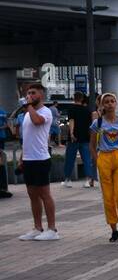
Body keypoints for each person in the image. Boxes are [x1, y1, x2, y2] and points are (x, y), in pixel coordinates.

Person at [16, 82, 58, 240]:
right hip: (28, 159)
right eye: (28, 93)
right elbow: (26, 138)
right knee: (32, 194)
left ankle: (52, 229)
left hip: (41, 159)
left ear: (41, 95)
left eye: (33, 93)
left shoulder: (45, 111)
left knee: (44, 194)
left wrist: (29, 106)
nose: (29, 96)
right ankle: (37, 227)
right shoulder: (27, 113)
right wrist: (22, 158)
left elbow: (37, 121)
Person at [90, 92, 118, 242]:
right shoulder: (98, 124)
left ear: (116, 103)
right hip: (104, 159)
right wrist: (98, 160)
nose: (109, 104)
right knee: (108, 197)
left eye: (112, 101)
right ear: (102, 105)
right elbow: (92, 146)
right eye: (106, 102)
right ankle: (113, 228)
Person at [62, 92, 96, 188]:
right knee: (86, 159)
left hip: (74, 138)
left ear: (74, 98)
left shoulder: (71, 109)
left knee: (70, 158)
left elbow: (71, 121)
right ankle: (88, 180)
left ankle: (67, 180)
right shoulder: (87, 110)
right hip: (85, 137)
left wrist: (72, 133)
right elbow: (91, 124)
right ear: (82, 99)